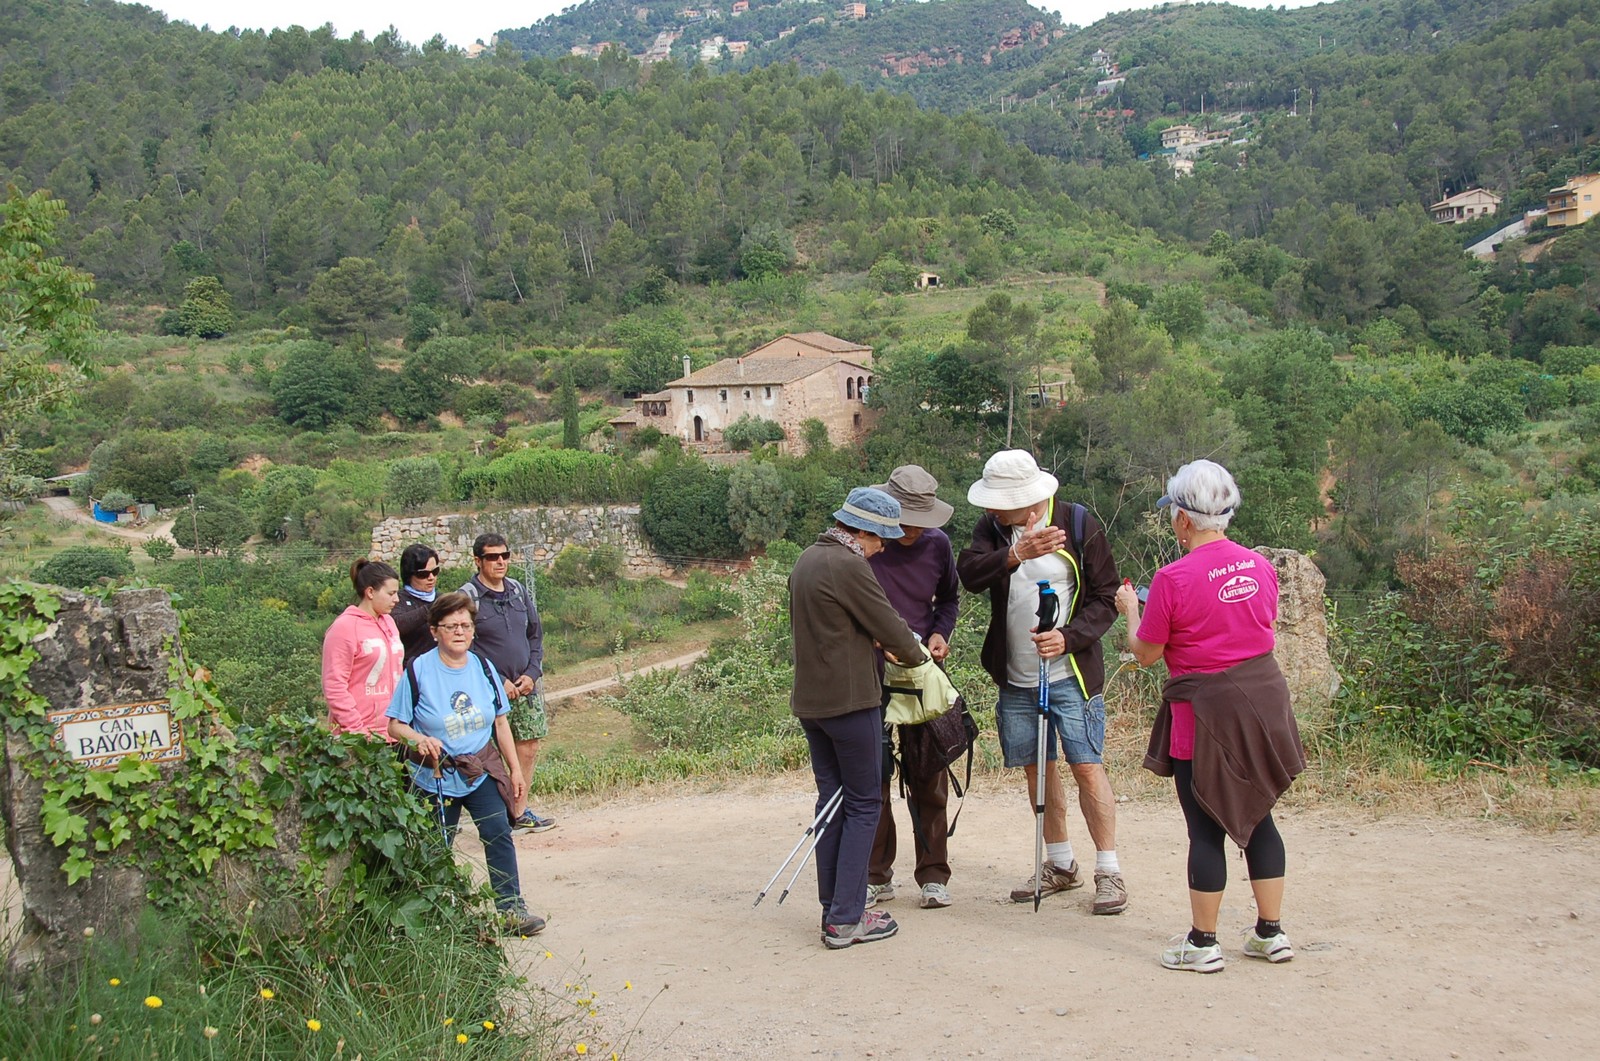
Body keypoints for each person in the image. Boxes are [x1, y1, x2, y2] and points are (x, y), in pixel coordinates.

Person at [1114, 459, 1303, 973]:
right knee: (1259, 815)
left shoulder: (1172, 578)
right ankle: (1270, 933)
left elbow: (1146, 653)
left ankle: (1202, 943)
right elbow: (1260, 623)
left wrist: (1131, 609)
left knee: (1205, 828)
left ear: (1183, 518)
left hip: (1203, 714)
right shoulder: (1259, 565)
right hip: (1262, 707)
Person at [955, 450, 1128, 915]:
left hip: (1071, 673)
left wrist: (1069, 637)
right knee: (1038, 768)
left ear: (1023, 498)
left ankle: (1109, 870)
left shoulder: (1077, 524)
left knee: (1086, 765)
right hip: (1016, 675)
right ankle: (1061, 863)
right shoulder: (993, 529)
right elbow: (968, 575)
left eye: (997, 502)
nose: (989, 508)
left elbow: (1107, 597)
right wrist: (1015, 554)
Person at [790, 487, 929, 949]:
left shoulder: (808, 559)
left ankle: (833, 908)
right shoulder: (849, 565)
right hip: (850, 703)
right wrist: (919, 658)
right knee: (864, 803)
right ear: (864, 531)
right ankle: (847, 920)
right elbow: (891, 627)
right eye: (881, 538)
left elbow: (833, 628)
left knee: (831, 803)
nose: (883, 548)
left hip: (812, 704)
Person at [387, 592, 545, 937]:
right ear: (434, 631)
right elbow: (395, 725)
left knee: (498, 832)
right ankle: (431, 916)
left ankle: (511, 909)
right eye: (450, 626)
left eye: (465, 625)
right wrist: (418, 739)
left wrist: (515, 770)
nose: (459, 632)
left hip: (480, 768)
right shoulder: (418, 670)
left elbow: (500, 722)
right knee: (435, 846)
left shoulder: (483, 667)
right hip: (435, 774)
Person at [864, 466, 961, 911]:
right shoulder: (868, 544)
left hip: (923, 672)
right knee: (873, 776)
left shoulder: (938, 545)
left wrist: (941, 633)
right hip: (872, 673)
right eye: (907, 520)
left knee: (929, 773)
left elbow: (949, 599)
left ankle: (934, 875)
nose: (915, 529)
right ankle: (876, 876)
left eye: (923, 521)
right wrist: (875, 641)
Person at [459, 533, 556, 833]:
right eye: (492, 557)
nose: (500, 561)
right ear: (478, 561)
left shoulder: (518, 591)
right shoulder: (467, 598)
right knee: (488, 754)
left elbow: (535, 635)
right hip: (486, 691)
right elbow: (463, 646)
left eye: (505, 555)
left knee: (528, 747)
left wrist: (532, 673)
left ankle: (519, 812)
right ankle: (495, 815)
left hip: (525, 687)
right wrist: (497, 680)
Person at [321, 558, 403, 738]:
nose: (396, 599)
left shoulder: (389, 622)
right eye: (391, 593)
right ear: (370, 592)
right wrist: (357, 731)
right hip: (359, 736)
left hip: (394, 732)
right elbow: (334, 685)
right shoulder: (344, 628)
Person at [394, 543, 442, 664]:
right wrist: (432, 608)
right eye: (423, 574)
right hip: (410, 669)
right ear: (409, 574)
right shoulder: (397, 600)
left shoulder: (441, 598)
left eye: (435, 571)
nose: (431, 577)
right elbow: (397, 625)